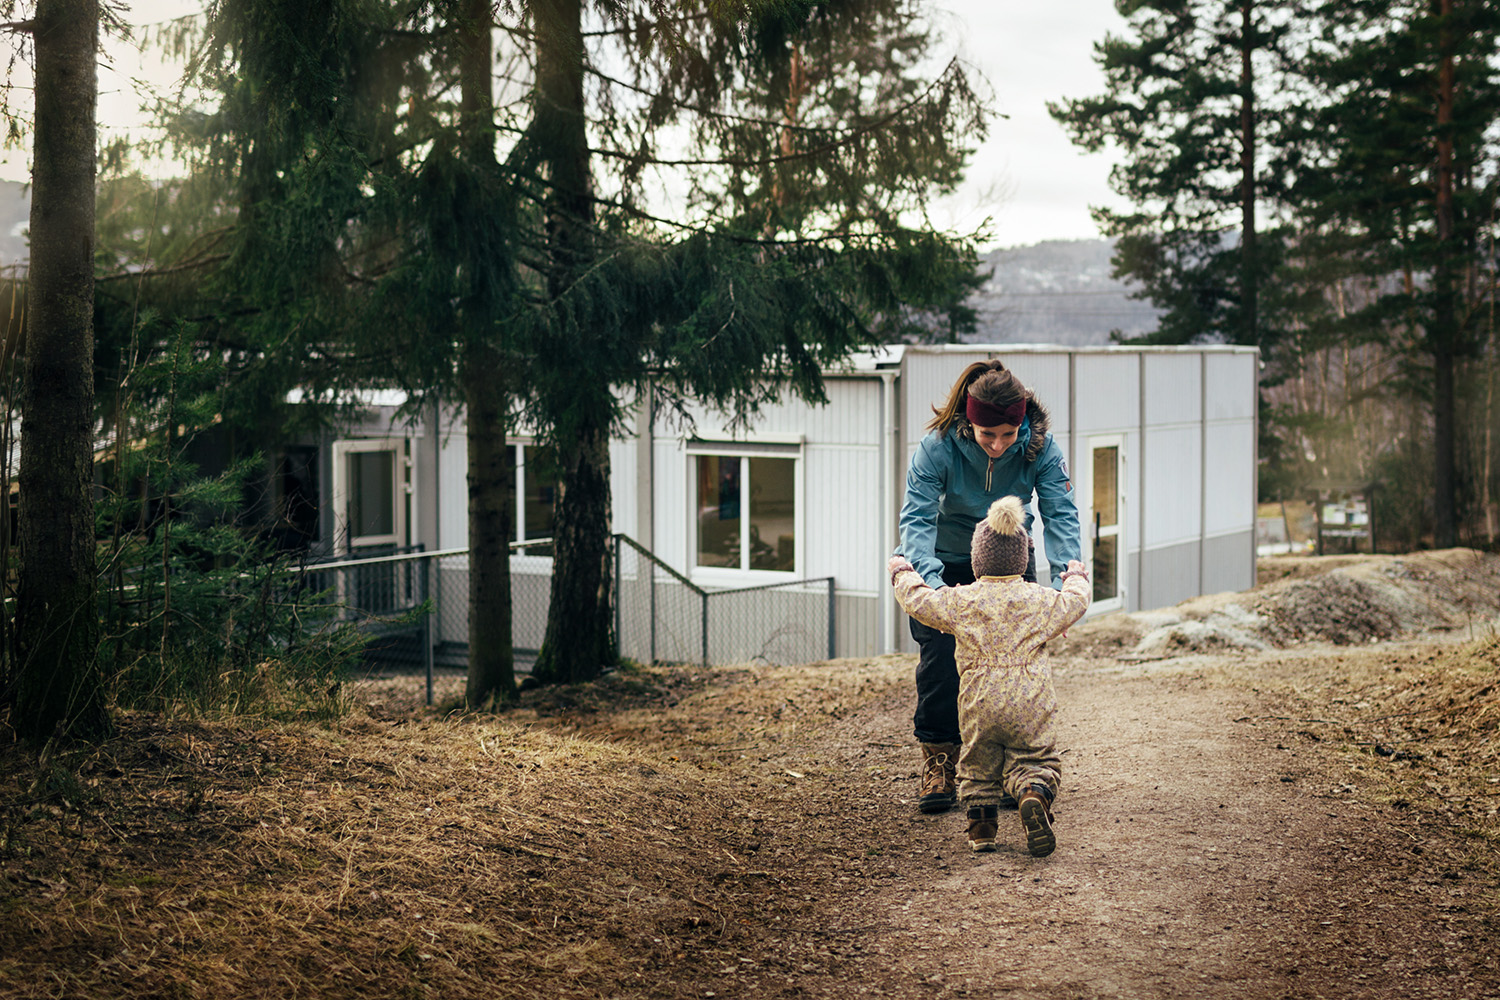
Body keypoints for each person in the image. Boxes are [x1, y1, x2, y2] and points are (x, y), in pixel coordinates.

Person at [896, 359, 1081, 815]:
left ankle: (1008, 768)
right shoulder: (935, 449)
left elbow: (1060, 512)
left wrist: (1065, 577)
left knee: (1013, 664)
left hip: (1010, 560)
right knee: (941, 662)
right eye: (987, 435)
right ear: (969, 422)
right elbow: (916, 520)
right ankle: (940, 759)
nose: (998, 445)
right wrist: (936, 593)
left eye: (1007, 434)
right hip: (946, 558)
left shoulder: (1043, 449)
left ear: (1021, 424)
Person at [888, 495, 1090, 856]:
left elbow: (920, 602)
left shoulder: (963, 600)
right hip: (1030, 702)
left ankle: (982, 829)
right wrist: (1074, 574)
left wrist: (901, 572)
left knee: (978, 765)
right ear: (1023, 559)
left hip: (979, 704)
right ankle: (1032, 792)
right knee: (1034, 761)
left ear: (977, 562)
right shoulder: (1039, 600)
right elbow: (1076, 600)